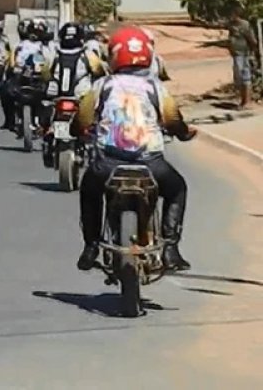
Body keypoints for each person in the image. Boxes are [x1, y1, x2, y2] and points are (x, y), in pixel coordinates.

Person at [73, 26, 197, 272]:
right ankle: (171, 249)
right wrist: (184, 134)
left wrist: (79, 131)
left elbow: (83, 118)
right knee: (177, 188)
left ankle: (91, 246)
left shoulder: (101, 86)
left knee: (89, 190)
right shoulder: (156, 88)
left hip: (108, 163)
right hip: (150, 163)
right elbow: (173, 120)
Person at [39, 22, 105, 164]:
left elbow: (45, 73)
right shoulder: (87, 55)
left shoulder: (54, 54)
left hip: (57, 96)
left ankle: (48, 135)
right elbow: (99, 71)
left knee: (44, 110)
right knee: (97, 117)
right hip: (81, 97)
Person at [0, 19, 47, 132]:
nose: (34, 35)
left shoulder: (45, 48)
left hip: (38, 80)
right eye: (33, 31)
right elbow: (11, 63)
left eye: (38, 32)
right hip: (22, 78)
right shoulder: (20, 46)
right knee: (4, 89)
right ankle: (10, 120)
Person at [228, 5, 259, 109]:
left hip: (244, 54)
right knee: (239, 79)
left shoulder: (245, 25)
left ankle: (247, 102)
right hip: (236, 54)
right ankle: (243, 101)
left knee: (245, 77)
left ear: (236, 14)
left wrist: (253, 53)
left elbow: (252, 39)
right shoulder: (231, 25)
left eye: (232, 14)